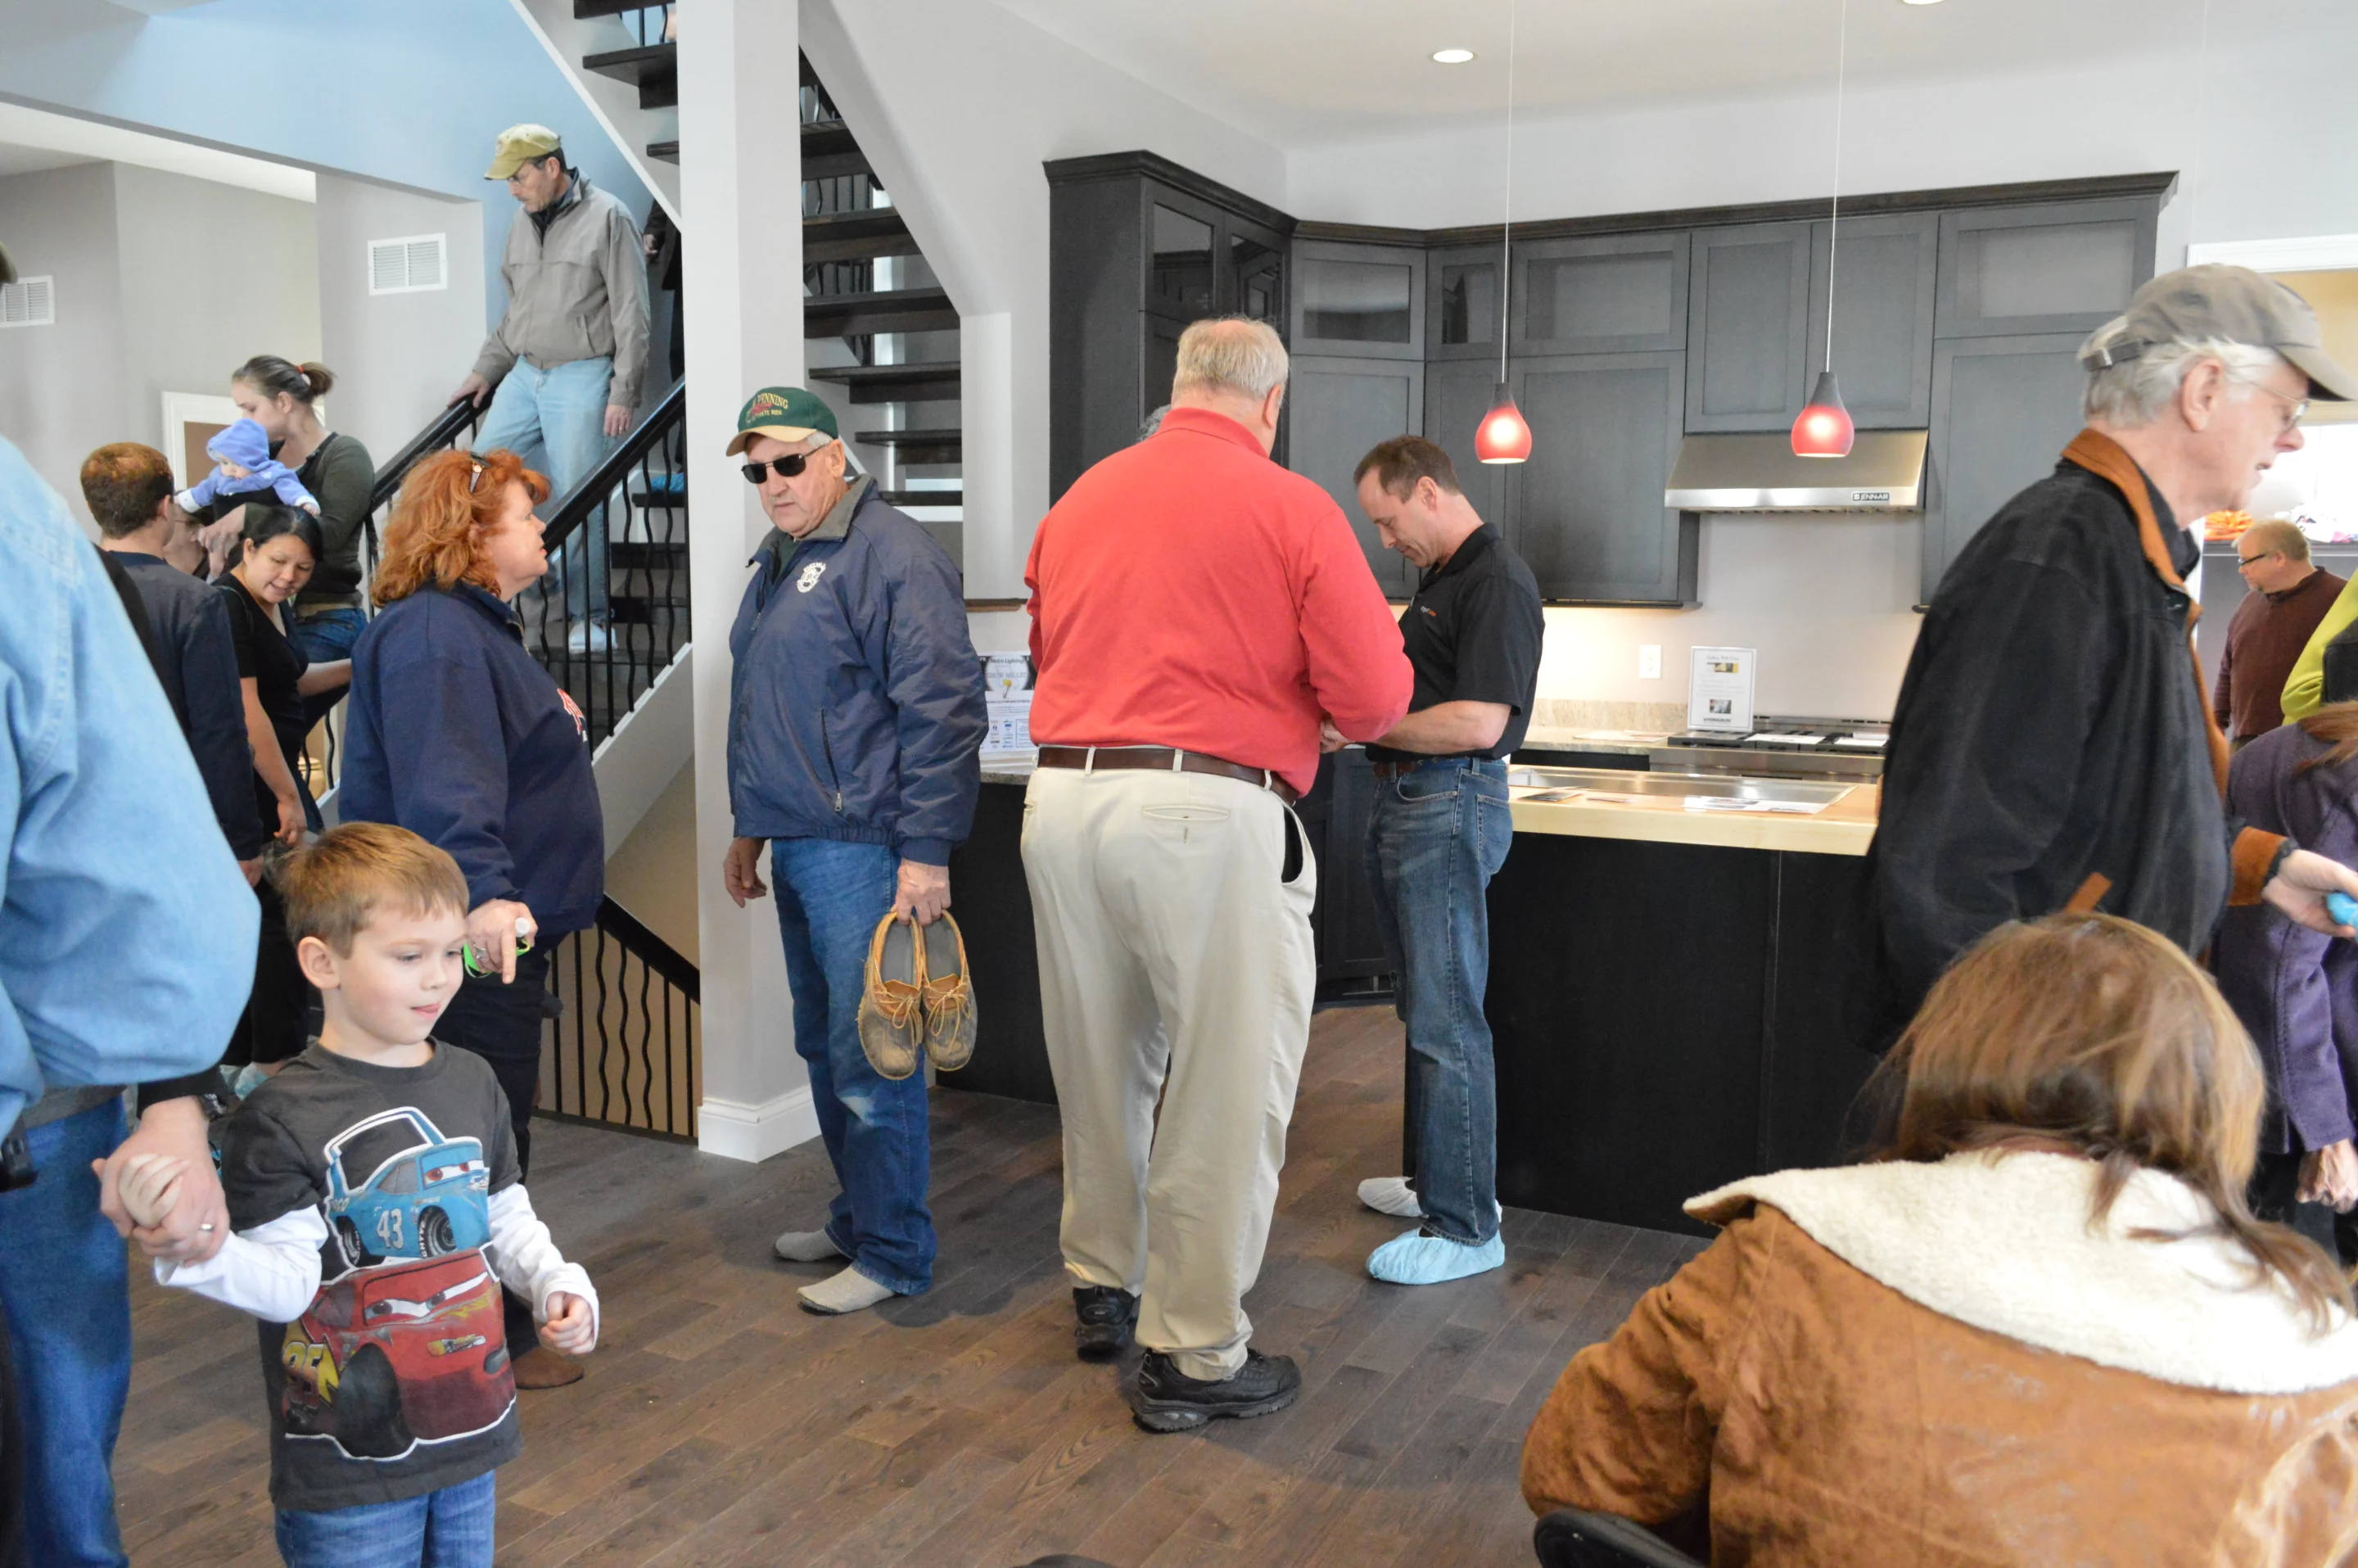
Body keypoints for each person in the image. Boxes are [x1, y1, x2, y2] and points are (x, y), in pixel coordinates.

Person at [1521, 913, 2358, 1565]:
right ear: (2218, 1092)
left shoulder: (1797, 1248)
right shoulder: (2317, 1373)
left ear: (1948, 1045)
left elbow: (1572, 1471)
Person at [1021, 318, 1412, 1430]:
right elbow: (1375, 698)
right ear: (1270, 403)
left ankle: (1105, 1279)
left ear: (1181, 383)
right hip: (1203, 804)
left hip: (1063, 799)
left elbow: (1051, 653)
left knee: (1100, 1059)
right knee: (1227, 1082)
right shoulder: (1292, 506)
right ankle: (1194, 1352)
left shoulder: (1078, 502)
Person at [1868, 264, 2358, 1034]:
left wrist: (2261, 865)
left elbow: (2113, 809)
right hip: (2041, 1063)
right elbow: (1949, 871)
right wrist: (2017, 1081)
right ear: (2203, 391)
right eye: (2285, 409)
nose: (2292, 437)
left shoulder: (2125, 555)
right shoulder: (2060, 562)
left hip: (2091, 1043)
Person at [150, 822, 597, 1568]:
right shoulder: (280, 1115)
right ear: (322, 961)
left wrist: (557, 1280)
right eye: (409, 956)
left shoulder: (473, 1080)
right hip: (347, 1468)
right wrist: (196, 1251)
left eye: (451, 952)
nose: (439, 978)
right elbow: (288, 1283)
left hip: (472, 1435)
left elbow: (503, 1214)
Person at [0, 432, 259, 1568]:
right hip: (55, 1090)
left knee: (57, 1445)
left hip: (44, 1106)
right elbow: (195, 764)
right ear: (168, 508)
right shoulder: (159, 594)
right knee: (59, 1453)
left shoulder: (44, 553)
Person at [338, 448, 605, 1387]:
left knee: (488, 1132)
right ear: (472, 531)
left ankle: (487, 1325)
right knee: (477, 1142)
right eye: (525, 514)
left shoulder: (469, 631)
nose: (541, 527)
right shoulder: (437, 635)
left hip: (489, 936)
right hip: (467, 940)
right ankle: (490, 1340)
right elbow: (448, 786)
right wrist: (487, 894)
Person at [719, 386, 986, 1317]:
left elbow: (944, 710)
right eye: (758, 471)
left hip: (866, 848)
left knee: (875, 1055)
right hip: (801, 840)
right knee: (826, 1047)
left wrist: (926, 852)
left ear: (835, 457)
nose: (773, 483)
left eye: (789, 462)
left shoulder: (893, 554)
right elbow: (771, 707)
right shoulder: (782, 558)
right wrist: (751, 826)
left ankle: (895, 1251)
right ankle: (860, 1217)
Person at [1336, 436, 1542, 1286]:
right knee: (1423, 1007)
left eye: (1388, 522)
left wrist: (1364, 727)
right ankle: (1436, 1180)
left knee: (1446, 1019)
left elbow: (1480, 724)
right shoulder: (1446, 578)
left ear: (1428, 492)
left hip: (1447, 802)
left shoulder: (1495, 581)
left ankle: (1465, 1227)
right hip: (1412, 800)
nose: (1387, 540)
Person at [449, 124, 650, 651]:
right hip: (523, 373)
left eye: (519, 178)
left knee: (581, 497)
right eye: (508, 181)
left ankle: (591, 617)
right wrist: (486, 369)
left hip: (583, 373)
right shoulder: (521, 223)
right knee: (476, 479)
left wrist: (624, 390)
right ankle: (539, 570)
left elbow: (632, 312)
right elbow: (516, 312)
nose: (513, 190)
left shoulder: (609, 217)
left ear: (551, 167)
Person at [2216, 678, 2358, 1265]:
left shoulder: (2305, 738)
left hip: (2273, 1061)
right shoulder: (2342, 776)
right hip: (2291, 1073)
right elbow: (2277, 967)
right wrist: (2324, 1130)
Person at [81, 441, 267, 881]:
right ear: (165, 507)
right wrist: (242, 839)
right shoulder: (193, 601)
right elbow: (218, 728)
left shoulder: (64, 589)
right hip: (169, 817)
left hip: (83, 815)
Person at [219, 508, 350, 1073]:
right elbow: (249, 713)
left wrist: (360, 663)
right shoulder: (228, 605)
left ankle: (262, 1060)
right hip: (254, 785)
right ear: (249, 548)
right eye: (278, 560)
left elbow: (294, 680)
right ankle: (268, 1063)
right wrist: (287, 795)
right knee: (279, 923)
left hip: (275, 780)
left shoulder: (274, 606)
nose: (289, 576)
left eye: (302, 567)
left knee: (281, 920)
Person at [225, 358, 377, 709]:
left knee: (274, 718)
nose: (244, 420)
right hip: (271, 614)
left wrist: (247, 515)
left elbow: (331, 533)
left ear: (283, 401)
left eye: (250, 408)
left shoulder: (344, 454)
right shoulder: (265, 456)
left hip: (326, 614)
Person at [2213, 518, 2342, 747]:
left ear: (2279, 558)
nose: (2241, 569)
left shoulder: (2339, 600)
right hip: (2247, 742)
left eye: (2246, 561)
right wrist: (2215, 725)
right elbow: (2228, 668)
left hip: (2312, 744)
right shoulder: (2250, 603)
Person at [174, 417, 319, 519]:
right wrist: (182, 501)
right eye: (225, 463)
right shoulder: (220, 478)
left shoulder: (270, 474)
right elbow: (202, 491)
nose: (230, 470)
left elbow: (290, 488)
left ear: (255, 460)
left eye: (238, 464)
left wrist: (304, 502)